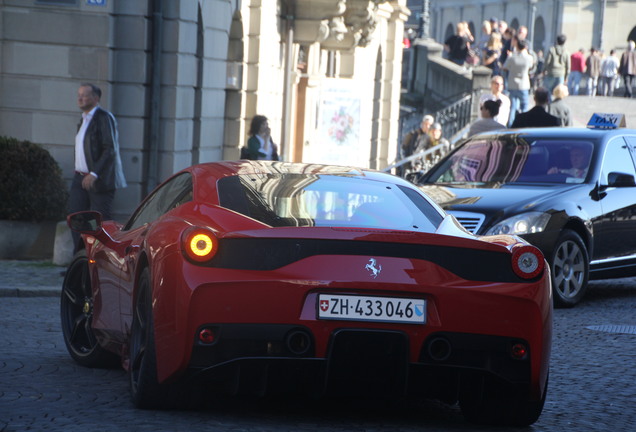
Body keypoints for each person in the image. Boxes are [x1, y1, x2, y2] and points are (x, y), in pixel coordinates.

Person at [70, 83, 127, 253]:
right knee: (76, 219)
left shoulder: (103, 117)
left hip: (99, 179)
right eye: (79, 95)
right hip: (79, 177)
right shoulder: (84, 120)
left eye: (85, 95)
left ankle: (103, 261)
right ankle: (79, 261)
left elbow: (109, 148)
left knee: (100, 223)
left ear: (96, 98)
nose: (80, 98)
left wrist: (94, 173)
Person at [503, 37, 533, 127]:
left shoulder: (512, 57)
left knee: (512, 107)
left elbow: (505, 67)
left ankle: (511, 125)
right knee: (524, 106)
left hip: (512, 83)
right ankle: (524, 124)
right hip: (524, 84)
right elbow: (531, 66)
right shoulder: (529, 58)